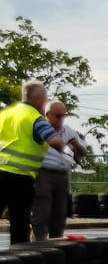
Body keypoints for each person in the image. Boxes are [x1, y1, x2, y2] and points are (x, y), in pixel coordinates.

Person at [0, 80, 64, 244]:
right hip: (20, 178)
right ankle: (18, 262)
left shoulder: (5, 114)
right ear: (38, 100)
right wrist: (61, 145)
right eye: (45, 99)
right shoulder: (36, 118)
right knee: (19, 224)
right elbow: (55, 141)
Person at [31, 100, 87, 241]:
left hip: (62, 174)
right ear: (48, 115)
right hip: (43, 172)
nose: (61, 119)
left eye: (63, 116)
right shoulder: (40, 127)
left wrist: (76, 145)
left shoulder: (68, 130)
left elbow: (83, 151)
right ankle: (38, 244)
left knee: (59, 213)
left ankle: (56, 244)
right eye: (57, 116)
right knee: (42, 212)